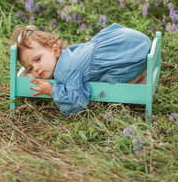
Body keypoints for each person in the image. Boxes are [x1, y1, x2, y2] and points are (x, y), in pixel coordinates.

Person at [11, 23, 151, 117]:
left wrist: (51, 91)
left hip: (133, 57)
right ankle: (140, 74)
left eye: (38, 59)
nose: (36, 69)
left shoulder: (65, 70)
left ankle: (138, 80)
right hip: (136, 44)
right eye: (30, 68)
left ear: (55, 50)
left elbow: (76, 104)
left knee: (112, 91)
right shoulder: (66, 55)